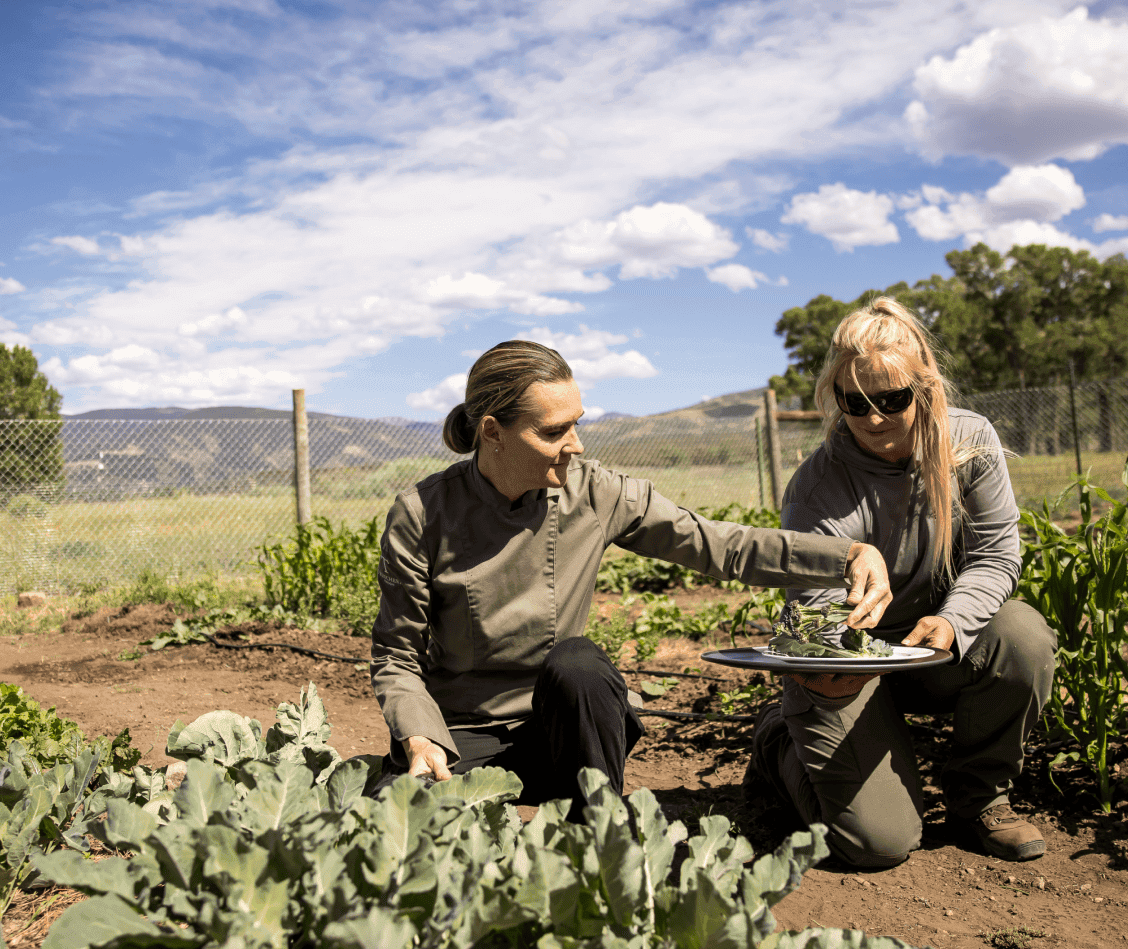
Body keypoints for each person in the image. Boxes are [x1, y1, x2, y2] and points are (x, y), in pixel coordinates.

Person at [371, 339, 892, 818]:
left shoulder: (596, 493)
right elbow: (397, 656)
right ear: (492, 432)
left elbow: (720, 546)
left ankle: (598, 826)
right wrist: (420, 739)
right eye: (553, 432)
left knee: (579, 663)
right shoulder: (423, 514)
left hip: (570, 736)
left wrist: (844, 555)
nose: (574, 445)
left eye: (576, 424)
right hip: (464, 737)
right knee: (394, 821)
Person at [743, 297, 1057, 866]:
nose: (874, 418)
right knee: (877, 844)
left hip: (929, 648)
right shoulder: (818, 489)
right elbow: (816, 607)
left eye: (892, 399)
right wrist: (831, 663)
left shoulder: (970, 443)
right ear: (835, 399)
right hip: (851, 663)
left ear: (926, 388)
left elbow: (996, 554)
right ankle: (778, 742)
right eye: (854, 403)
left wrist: (953, 621)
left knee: (1022, 636)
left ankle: (979, 798)